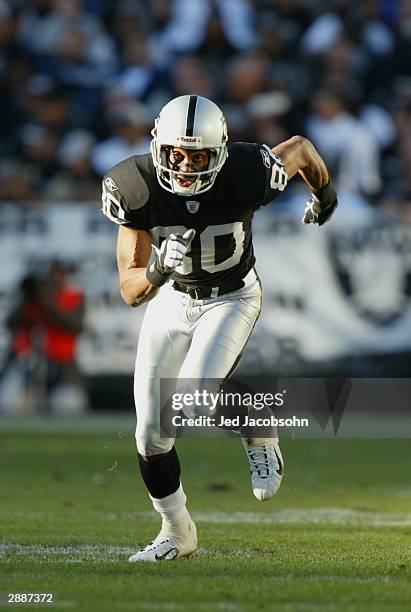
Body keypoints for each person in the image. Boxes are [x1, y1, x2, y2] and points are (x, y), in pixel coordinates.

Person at [101, 94, 338, 562]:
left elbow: (302, 150)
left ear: (222, 152)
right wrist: (154, 273)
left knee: (196, 395)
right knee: (150, 433)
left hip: (232, 296)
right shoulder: (135, 184)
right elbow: (130, 290)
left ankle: (256, 422)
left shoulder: (248, 171)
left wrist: (324, 196)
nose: (187, 166)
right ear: (159, 147)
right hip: (171, 297)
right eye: (177, 154)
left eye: (200, 155)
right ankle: (176, 530)